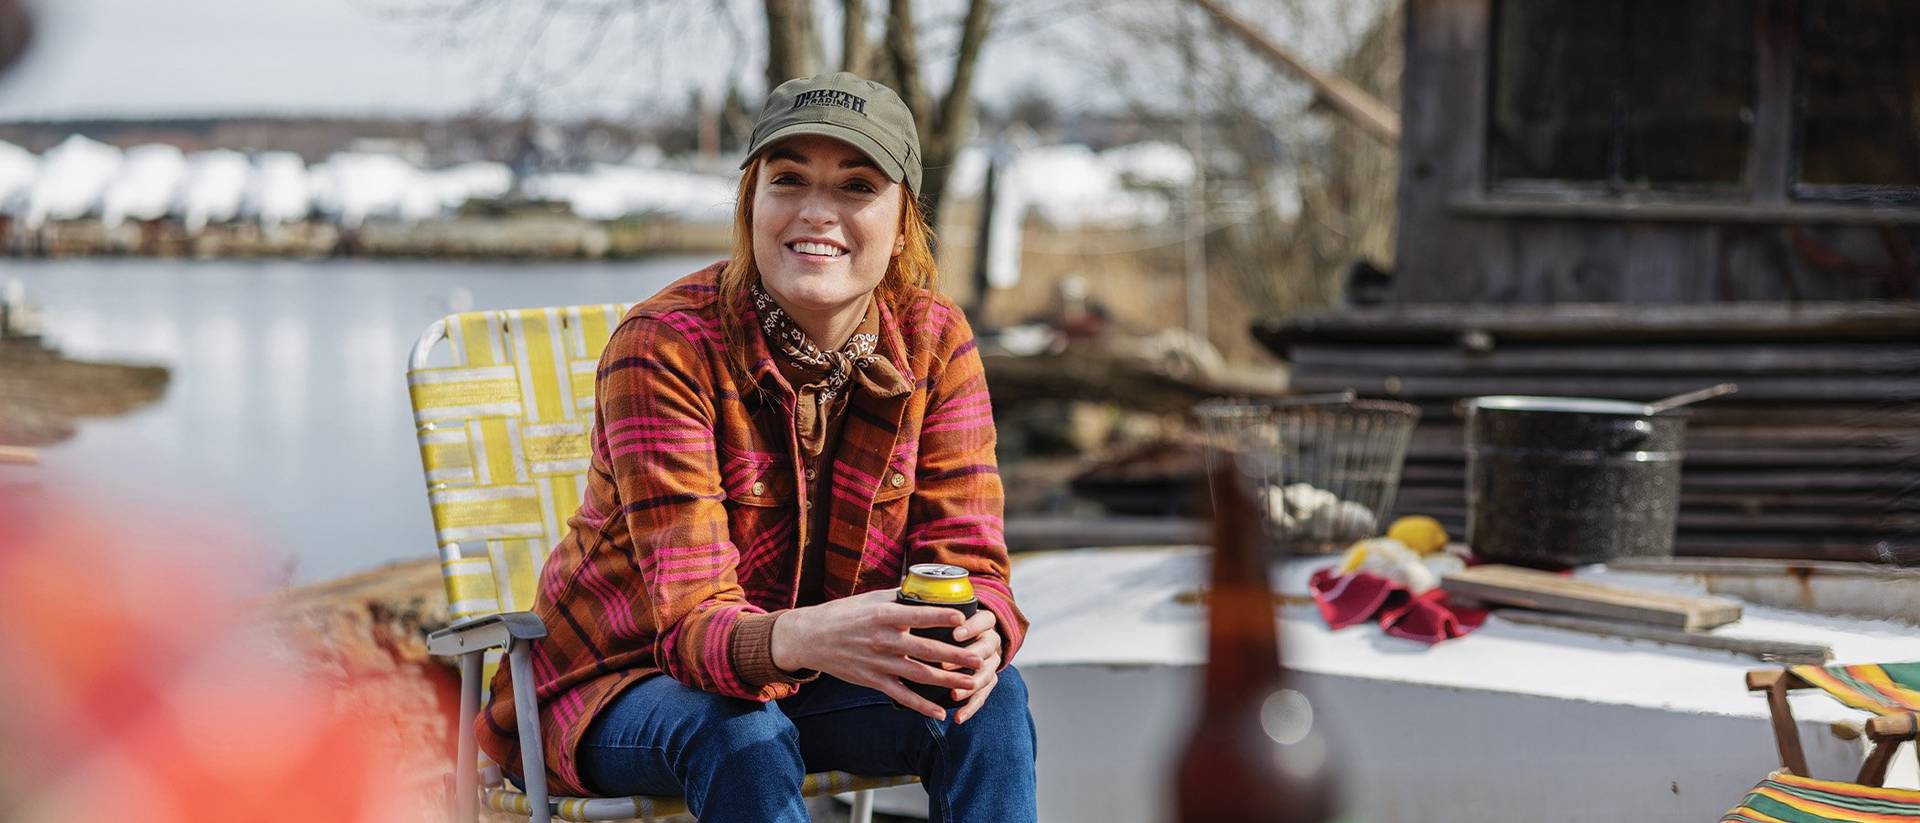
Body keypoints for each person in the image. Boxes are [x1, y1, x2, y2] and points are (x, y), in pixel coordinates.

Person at [476, 71, 1037, 823]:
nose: (816, 211)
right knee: (739, 728)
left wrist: (980, 632)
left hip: (809, 682)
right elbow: (690, 626)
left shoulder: (935, 340)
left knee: (987, 704)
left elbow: (971, 562)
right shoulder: (666, 348)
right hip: (617, 685)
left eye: (856, 186)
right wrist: (814, 633)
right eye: (789, 179)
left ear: (903, 220)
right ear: (751, 202)